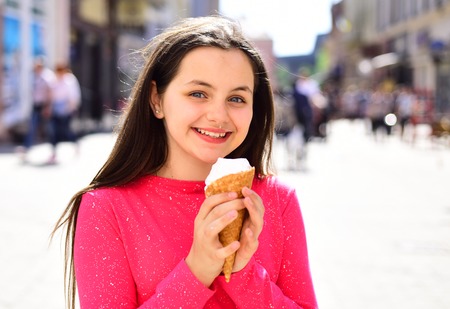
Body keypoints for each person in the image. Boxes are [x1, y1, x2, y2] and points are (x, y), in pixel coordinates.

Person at [52, 16, 317, 309]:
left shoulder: (278, 201)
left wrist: (243, 272)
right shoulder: (106, 209)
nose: (219, 114)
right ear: (156, 99)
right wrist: (197, 270)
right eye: (198, 93)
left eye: (237, 98)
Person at [21, 59, 55, 160]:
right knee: (32, 126)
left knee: (49, 129)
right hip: (36, 105)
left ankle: (53, 150)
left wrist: (48, 106)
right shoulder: (35, 76)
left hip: (44, 105)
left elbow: (49, 91)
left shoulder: (47, 76)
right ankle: (27, 148)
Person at [47, 63, 81, 163]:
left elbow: (74, 95)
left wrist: (72, 108)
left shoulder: (69, 80)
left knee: (66, 130)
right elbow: (51, 96)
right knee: (53, 130)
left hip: (67, 108)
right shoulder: (53, 80)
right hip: (56, 108)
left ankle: (75, 144)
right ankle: (54, 152)